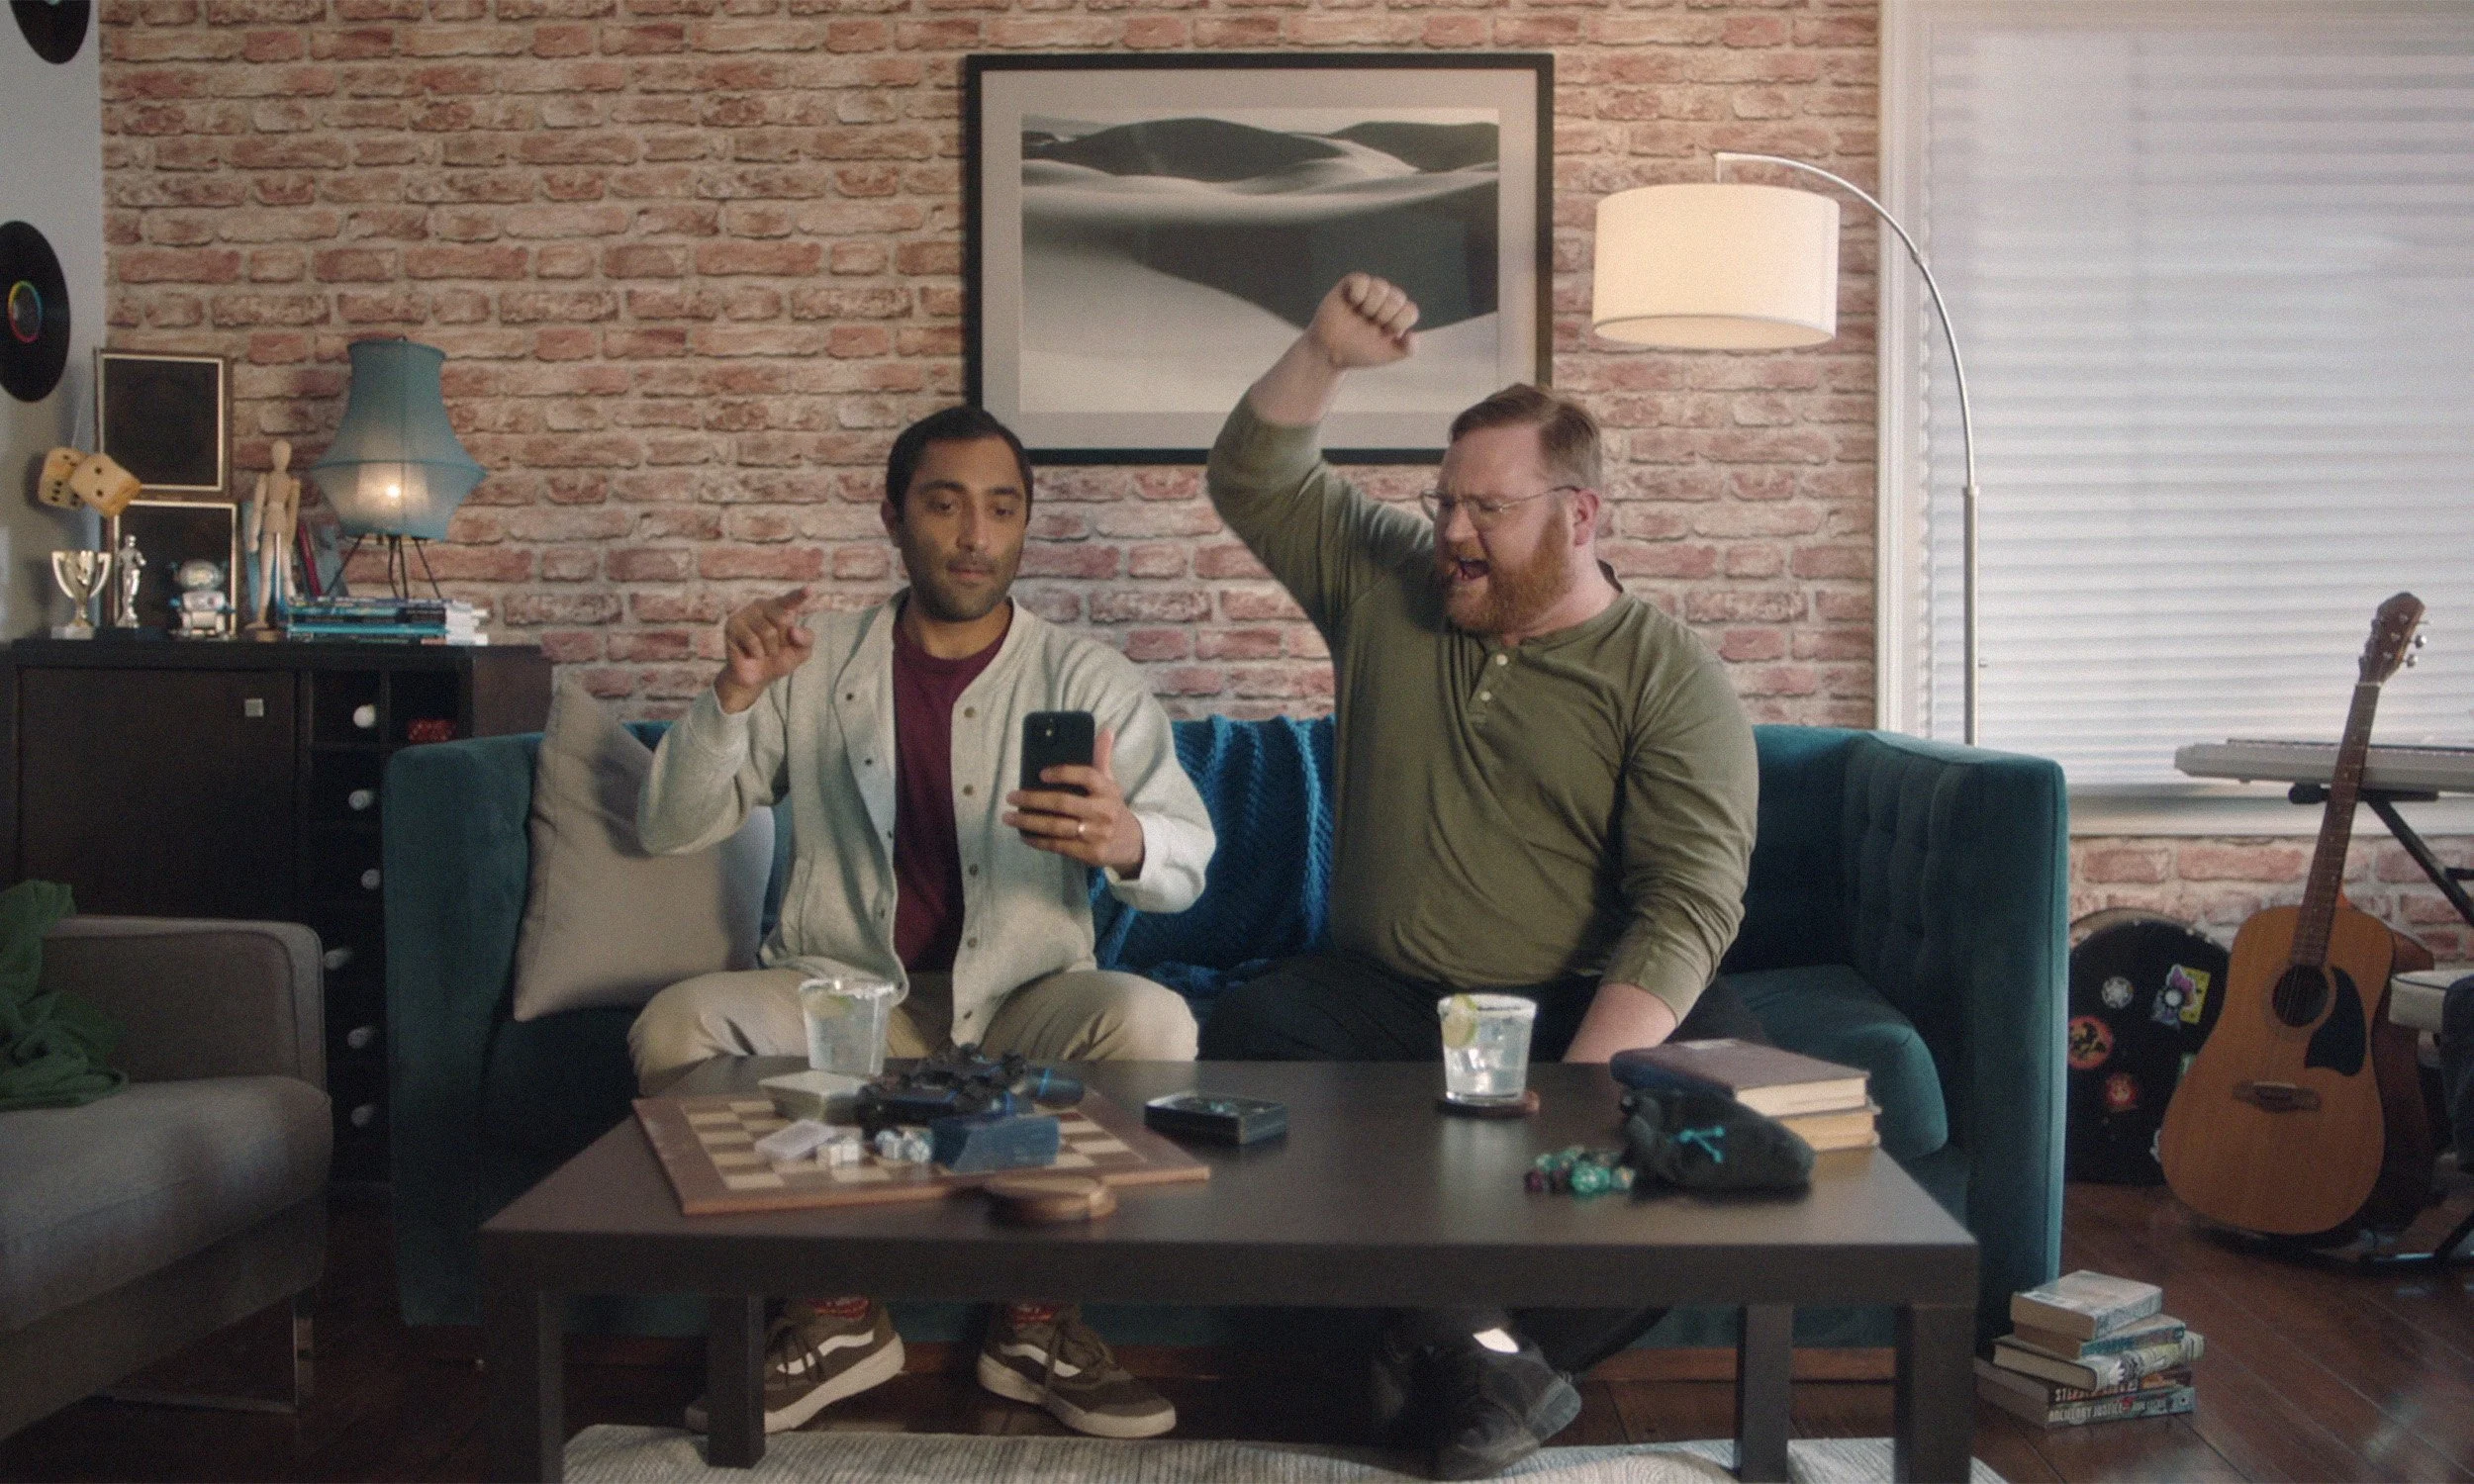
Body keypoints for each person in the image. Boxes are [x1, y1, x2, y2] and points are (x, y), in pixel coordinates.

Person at [1199, 274, 1763, 1479]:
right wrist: (1322, 351)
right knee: (1247, 1036)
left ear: (1580, 516)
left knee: (1720, 1098)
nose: (1453, 532)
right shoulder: (1387, 586)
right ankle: (1482, 1365)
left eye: (1487, 509)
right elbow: (1253, 476)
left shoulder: (1667, 675)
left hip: (1568, 1008)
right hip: (1388, 1002)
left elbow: (1689, 897)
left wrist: (1583, 1087)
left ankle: (1451, 1354)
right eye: (1444, 500)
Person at [631, 405, 1215, 1441]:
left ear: (1026, 522)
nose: (975, 535)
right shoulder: (813, 663)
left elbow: (1187, 863)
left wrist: (1127, 839)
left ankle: (1036, 1324)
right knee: (676, 1023)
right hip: (842, 999)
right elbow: (671, 826)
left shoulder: (1085, 678)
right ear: (893, 516)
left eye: (1002, 508)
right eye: (945, 505)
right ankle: (834, 1313)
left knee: (1153, 1019)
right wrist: (732, 695)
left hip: (1026, 1004)